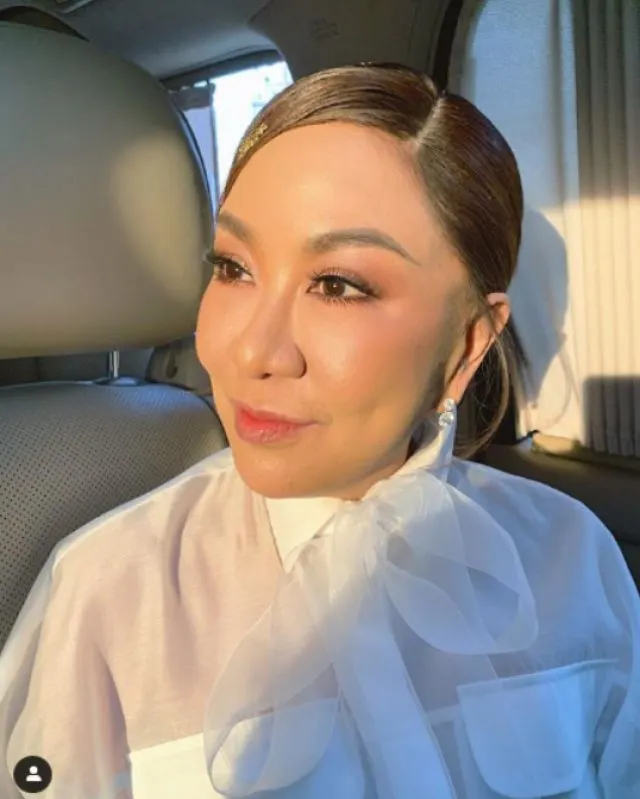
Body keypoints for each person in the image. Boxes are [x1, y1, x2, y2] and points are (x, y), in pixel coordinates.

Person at [0, 63, 638, 799]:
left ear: (467, 346)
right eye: (232, 268)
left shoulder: (569, 557)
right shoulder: (108, 593)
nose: (251, 351)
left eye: (338, 285)